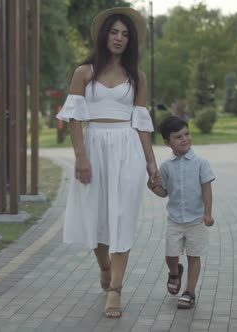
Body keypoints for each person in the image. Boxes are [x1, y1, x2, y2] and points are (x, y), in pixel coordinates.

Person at [56, 7, 159, 318]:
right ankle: (104, 266)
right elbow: (74, 117)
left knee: (123, 216)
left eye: (125, 34)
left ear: (131, 41)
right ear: (104, 35)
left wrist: (151, 165)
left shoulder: (136, 77)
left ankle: (115, 289)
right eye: (114, 32)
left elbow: (141, 123)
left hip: (127, 148)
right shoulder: (84, 72)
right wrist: (80, 157)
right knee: (97, 215)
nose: (119, 38)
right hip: (94, 146)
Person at [147, 116, 215, 309]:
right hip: (175, 221)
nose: (185, 139)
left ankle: (189, 292)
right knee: (170, 255)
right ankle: (175, 272)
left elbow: (207, 190)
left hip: (196, 220)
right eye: (178, 137)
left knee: (194, 255)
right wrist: (153, 187)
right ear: (167, 142)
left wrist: (208, 214)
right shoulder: (166, 166)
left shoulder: (201, 163)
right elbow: (164, 192)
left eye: (186, 134)